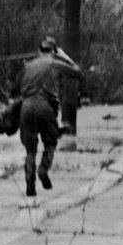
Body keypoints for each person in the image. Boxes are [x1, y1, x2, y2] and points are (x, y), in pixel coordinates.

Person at [17, 36, 82, 197]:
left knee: (30, 150)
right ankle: (43, 169)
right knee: (50, 144)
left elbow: (18, 86)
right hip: (45, 107)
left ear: (39, 50)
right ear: (54, 51)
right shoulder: (55, 63)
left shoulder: (28, 65)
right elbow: (77, 72)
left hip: (26, 107)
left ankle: (29, 186)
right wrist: (64, 56)